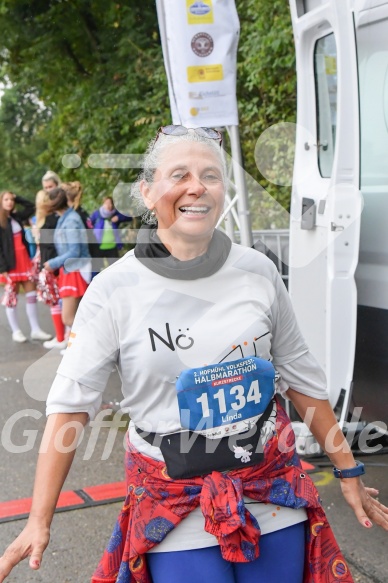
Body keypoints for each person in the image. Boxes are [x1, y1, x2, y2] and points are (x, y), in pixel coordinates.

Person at [0, 127, 387, 583]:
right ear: (146, 192)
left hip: (272, 489)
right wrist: (39, 518)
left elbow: (301, 379)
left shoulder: (258, 271)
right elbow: (70, 406)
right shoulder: (113, 290)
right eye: (179, 174)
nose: (196, 186)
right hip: (173, 502)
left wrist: (348, 470)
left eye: (211, 175)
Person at [42, 186, 91, 348]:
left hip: (75, 269)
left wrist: (53, 263)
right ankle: (83, 348)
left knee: (69, 318)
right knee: (77, 316)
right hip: (71, 269)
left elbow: (74, 251)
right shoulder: (66, 218)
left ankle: (88, 348)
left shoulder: (70, 220)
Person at [0, 191, 52, 343]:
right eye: (6, 199)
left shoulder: (15, 217)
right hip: (10, 264)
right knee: (11, 297)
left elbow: (31, 207)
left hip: (24, 261)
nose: (9, 202)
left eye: (11, 199)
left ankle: (35, 329)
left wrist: (18, 197)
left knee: (31, 295)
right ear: (1, 202)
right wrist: (3, 268)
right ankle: (16, 331)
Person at [33, 189, 67, 350]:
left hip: (53, 265)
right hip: (48, 264)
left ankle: (63, 338)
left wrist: (51, 266)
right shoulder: (43, 219)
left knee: (60, 301)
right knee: (56, 301)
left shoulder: (52, 219)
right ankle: (61, 337)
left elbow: (53, 245)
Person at [90, 196, 131, 268]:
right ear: (103, 204)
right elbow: (89, 224)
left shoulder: (115, 213)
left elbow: (129, 217)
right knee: (96, 270)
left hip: (112, 247)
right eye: (107, 203)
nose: (109, 205)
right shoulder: (97, 214)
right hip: (98, 247)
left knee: (115, 269)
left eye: (110, 203)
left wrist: (118, 217)